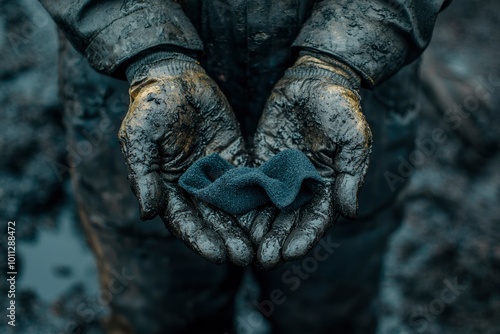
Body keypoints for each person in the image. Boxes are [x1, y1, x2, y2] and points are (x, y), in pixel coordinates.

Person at [41, 0, 452, 333]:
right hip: (141, 102)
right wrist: (150, 53)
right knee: (159, 312)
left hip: (346, 108)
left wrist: (339, 59)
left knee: (327, 311)